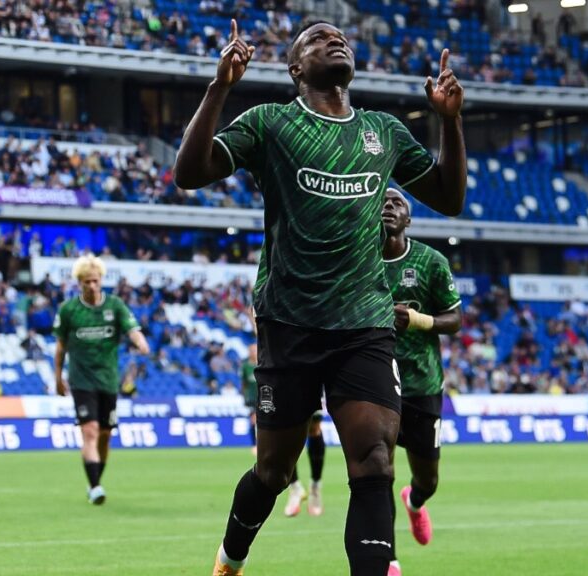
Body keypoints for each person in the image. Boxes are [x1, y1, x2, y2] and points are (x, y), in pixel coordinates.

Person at [174, 18, 465, 576]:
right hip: (290, 321)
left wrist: (449, 124)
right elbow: (190, 172)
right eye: (317, 39)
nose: (336, 41)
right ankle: (229, 561)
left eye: (342, 38)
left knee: (375, 461)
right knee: (273, 472)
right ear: (295, 68)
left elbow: (449, 197)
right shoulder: (273, 123)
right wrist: (220, 87)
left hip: (365, 323)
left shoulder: (382, 131)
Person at [380, 188, 462, 575]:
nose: (388, 207)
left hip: (423, 385)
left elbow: (455, 321)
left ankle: (415, 502)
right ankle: (389, 559)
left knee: (427, 478)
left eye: (397, 203)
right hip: (375, 385)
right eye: (381, 201)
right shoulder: (357, 262)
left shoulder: (431, 262)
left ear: (408, 219)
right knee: (377, 472)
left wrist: (417, 320)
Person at [54, 254, 150, 505]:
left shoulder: (115, 306)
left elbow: (132, 329)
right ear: (79, 283)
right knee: (90, 431)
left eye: (95, 281)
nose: (92, 286)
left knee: (106, 435)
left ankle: (94, 480)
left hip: (107, 380)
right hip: (80, 380)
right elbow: (60, 347)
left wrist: (140, 342)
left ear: (101, 280)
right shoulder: (69, 310)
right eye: (86, 282)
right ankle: (96, 486)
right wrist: (57, 378)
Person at [241, 343, 259, 455]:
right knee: (253, 419)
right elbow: (244, 384)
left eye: (255, 350)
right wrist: (245, 396)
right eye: (251, 350)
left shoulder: (263, 364)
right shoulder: (246, 367)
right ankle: (254, 444)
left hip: (265, 396)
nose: (253, 353)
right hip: (252, 397)